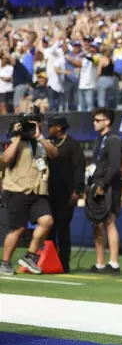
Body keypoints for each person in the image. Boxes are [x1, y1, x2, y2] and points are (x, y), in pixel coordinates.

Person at [0, 109, 58, 275]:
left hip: (38, 191)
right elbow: (6, 159)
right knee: (17, 229)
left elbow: (54, 153)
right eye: (31, 124)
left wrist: (39, 136)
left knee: (47, 221)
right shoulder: (14, 140)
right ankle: (5, 262)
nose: (34, 126)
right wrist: (18, 136)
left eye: (37, 123)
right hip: (17, 190)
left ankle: (30, 256)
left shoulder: (41, 142)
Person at [47, 116, 85, 273]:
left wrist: (77, 191)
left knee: (63, 229)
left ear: (58, 128)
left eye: (50, 126)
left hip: (66, 195)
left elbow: (79, 168)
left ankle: (64, 264)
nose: (48, 129)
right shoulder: (50, 146)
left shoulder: (73, 145)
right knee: (49, 229)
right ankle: (49, 261)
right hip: (49, 193)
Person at [88, 108, 122, 273]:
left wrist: (103, 184)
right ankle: (100, 263)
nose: (94, 123)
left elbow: (115, 166)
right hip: (98, 184)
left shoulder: (113, 139)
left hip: (110, 187)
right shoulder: (99, 139)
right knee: (97, 223)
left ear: (107, 121)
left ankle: (114, 263)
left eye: (97, 120)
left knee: (110, 222)